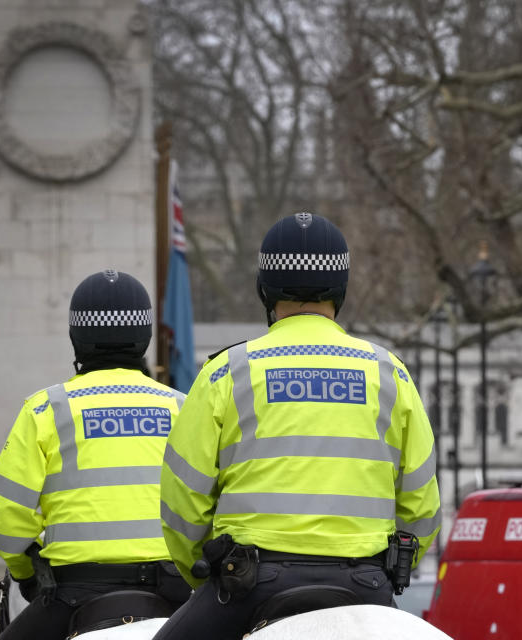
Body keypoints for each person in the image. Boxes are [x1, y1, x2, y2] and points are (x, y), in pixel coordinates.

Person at [154, 212, 441, 639]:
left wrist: (205, 574)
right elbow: (421, 508)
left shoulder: (226, 373)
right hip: (364, 583)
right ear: (340, 288)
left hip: (250, 583)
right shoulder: (389, 373)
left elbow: (182, 505)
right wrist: (391, 567)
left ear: (264, 287)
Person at [0, 269, 191, 639]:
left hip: (74, 593)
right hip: (173, 591)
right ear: (144, 337)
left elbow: (5, 516)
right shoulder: (184, 408)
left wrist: (26, 572)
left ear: (76, 336)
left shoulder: (46, 409)